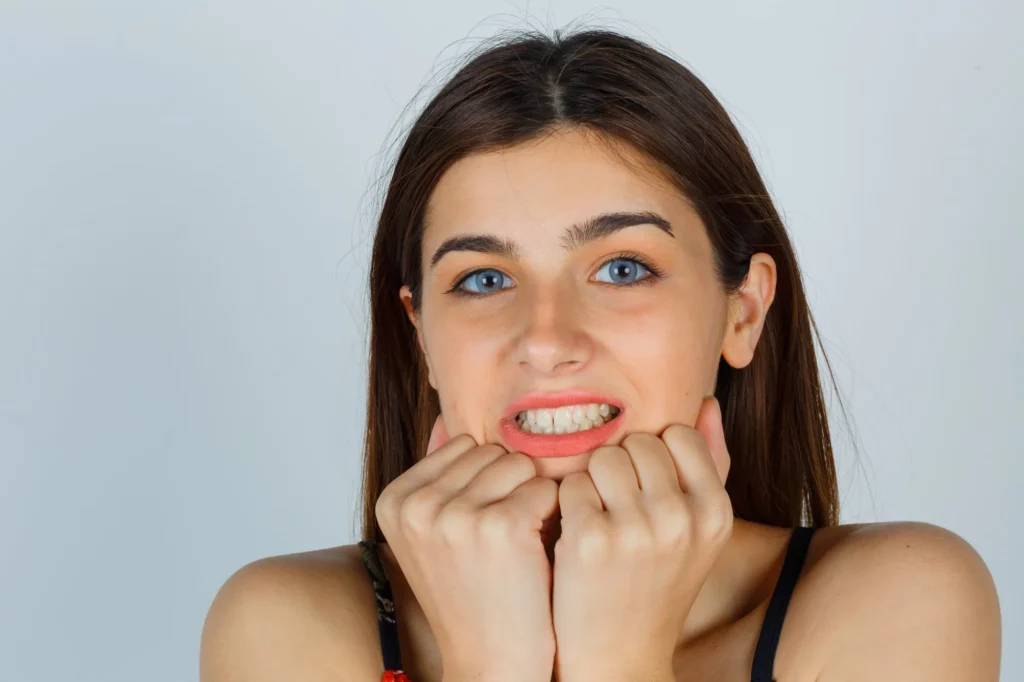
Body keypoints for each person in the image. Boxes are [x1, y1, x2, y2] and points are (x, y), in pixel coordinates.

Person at [199, 25, 1001, 682]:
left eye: (622, 269)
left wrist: (620, 660)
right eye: (483, 278)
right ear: (422, 341)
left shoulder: (900, 601)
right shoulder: (286, 628)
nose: (546, 339)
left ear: (744, 311)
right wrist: (491, 665)